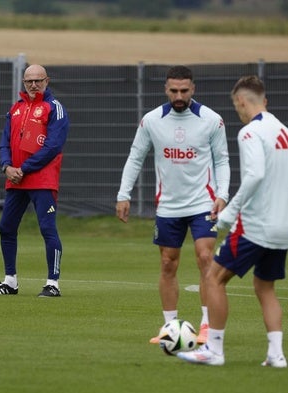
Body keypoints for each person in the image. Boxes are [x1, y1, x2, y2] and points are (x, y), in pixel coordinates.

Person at [178, 76, 288, 367]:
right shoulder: (283, 130)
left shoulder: (250, 133)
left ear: (240, 101)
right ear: (264, 100)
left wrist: (229, 214)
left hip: (256, 225)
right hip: (283, 227)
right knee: (265, 287)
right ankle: (276, 355)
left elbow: (255, 176)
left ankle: (214, 351)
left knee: (214, 278)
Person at [115, 65, 230, 344]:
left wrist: (222, 195)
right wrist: (123, 194)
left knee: (205, 258)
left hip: (203, 203)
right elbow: (135, 157)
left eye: (184, 90)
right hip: (168, 206)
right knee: (168, 263)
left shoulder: (211, 120)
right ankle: (170, 328)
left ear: (193, 89)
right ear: (166, 89)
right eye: (174, 90)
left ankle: (205, 326)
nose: (179, 95)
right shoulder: (152, 121)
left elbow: (222, 160)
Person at [0, 64, 69, 297]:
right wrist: (6, 166)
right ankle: (10, 281)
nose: (33, 85)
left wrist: (24, 167)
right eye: (29, 81)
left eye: (38, 80)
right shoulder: (16, 109)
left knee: (47, 229)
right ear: (23, 83)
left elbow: (53, 146)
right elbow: (4, 142)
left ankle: (53, 284)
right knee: (6, 227)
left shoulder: (54, 108)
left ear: (47, 81)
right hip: (16, 179)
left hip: (42, 179)